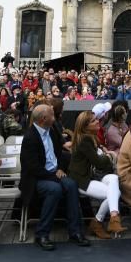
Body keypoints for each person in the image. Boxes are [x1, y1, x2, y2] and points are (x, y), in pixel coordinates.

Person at [20, 103, 88, 250]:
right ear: (44, 119)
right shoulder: (30, 137)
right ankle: (42, 234)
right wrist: (53, 174)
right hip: (36, 178)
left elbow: (60, 154)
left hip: (54, 173)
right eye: (52, 115)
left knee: (71, 185)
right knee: (55, 189)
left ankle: (75, 232)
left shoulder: (52, 131)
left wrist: (61, 169)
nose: (54, 117)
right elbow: (32, 167)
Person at [68, 111, 124, 239]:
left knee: (114, 179)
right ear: (85, 126)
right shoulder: (85, 140)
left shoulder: (91, 137)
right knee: (114, 194)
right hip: (81, 179)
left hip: (91, 176)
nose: (97, 121)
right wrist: (110, 156)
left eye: (96, 119)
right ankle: (102, 221)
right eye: (93, 121)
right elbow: (99, 163)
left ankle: (107, 219)